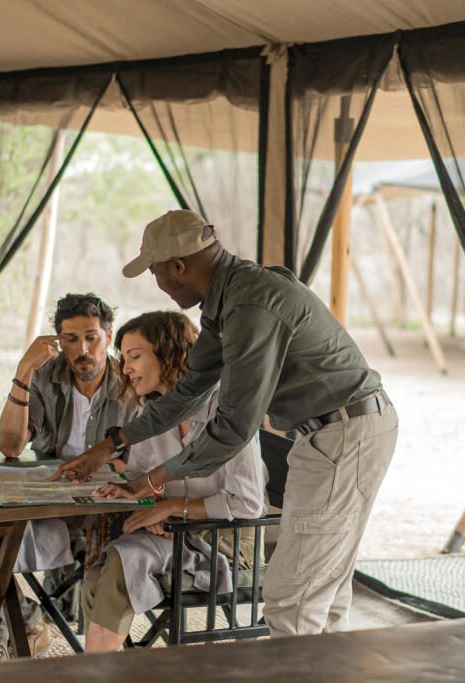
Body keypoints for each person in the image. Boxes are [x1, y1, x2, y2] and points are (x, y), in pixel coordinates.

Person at [56, 210, 399, 637]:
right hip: (336, 431)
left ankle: (296, 667)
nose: (158, 284)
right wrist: (110, 445)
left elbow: (233, 427)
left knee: (292, 598)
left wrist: (152, 482)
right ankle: (324, 665)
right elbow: (188, 391)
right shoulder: (229, 300)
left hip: (343, 433)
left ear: (177, 267)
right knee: (322, 593)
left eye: (156, 273)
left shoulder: (250, 305)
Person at [79, 311, 267, 651]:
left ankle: (90, 670)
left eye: (135, 356)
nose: (126, 369)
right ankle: (102, 667)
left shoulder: (227, 412)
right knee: (95, 579)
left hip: (228, 540)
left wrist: (170, 509)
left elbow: (248, 504)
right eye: (124, 359)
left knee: (122, 562)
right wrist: (149, 506)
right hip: (176, 532)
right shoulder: (150, 414)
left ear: (169, 355)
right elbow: (142, 480)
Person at [0, 293, 137, 659]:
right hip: (50, 500)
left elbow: (144, 460)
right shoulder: (46, 376)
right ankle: (14, 630)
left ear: (108, 336)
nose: (83, 349)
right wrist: (24, 370)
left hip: (106, 507)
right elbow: (11, 446)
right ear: (58, 341)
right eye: (71, 339)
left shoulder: (129, 383)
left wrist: (107, 468)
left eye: (91, 337)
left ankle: (23, 626)